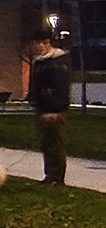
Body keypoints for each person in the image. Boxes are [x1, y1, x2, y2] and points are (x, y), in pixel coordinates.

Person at [24, 23, 71, 186]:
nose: (34, 47)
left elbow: (61, 88)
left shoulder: (56, 62)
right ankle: (50, 175)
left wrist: (55, 109)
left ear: (44, 42)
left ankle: (57, 178)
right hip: (42, 108)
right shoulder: (41, 62)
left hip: (52, 110)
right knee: (46, 143)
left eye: (36, 43)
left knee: (54, 144)